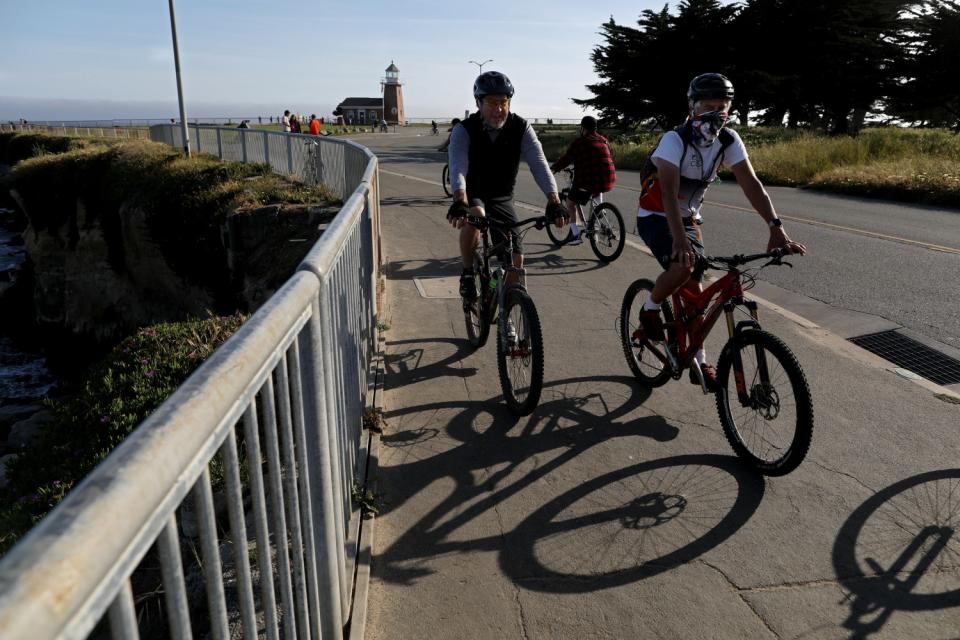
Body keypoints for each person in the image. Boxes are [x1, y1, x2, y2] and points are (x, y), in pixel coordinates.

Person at [635, 72, 806, 390]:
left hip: (688, 217)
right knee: (681, 266)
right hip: (657, 215)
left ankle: (698, 359)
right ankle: (650, 308)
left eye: (722, 106)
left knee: (697, 292)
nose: (716, 113)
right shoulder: (675, 140)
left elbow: (752, 185)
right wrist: (679, 239)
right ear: (692, 106)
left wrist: (776, 227)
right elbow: (670, 195)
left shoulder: (727, 140)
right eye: (708, 106)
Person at [446, 70, 567, 302]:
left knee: (515, 260)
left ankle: (506, 308)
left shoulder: (521, 128)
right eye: (492, 102)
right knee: (476, 214)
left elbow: (540, 164)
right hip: (474, 193)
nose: (499, 108)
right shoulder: (464, 130)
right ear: (478, 103)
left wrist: (554, 201)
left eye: (504, 102)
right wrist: (459, 199)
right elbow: (458, 166)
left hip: (502, 197)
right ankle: (468, 273)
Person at [550, 115, 616, 245]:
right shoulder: (603, 140)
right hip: (608, 179)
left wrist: (554, 168)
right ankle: (596, 222)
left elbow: (567, 158)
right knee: (596, 191)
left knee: (570, 203)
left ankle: (575, 235)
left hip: (589, 180)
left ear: (583, 128)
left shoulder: (580, 142)